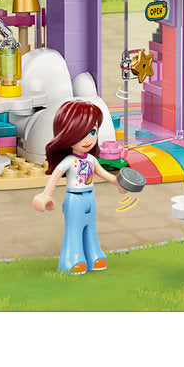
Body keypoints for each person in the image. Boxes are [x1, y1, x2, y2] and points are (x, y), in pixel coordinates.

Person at [32, 99, 124, 274]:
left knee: (90, 228)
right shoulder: (69, 161)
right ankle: (72, 259)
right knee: (74, 229)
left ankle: (94, 256)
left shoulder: (91, 159)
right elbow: (55, 176)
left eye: (92, 132)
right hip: (74, 199)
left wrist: (117, 182)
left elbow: (102, 173)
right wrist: (45, 195)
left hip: (90, 197)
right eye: (81, 134)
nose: (88, 139)